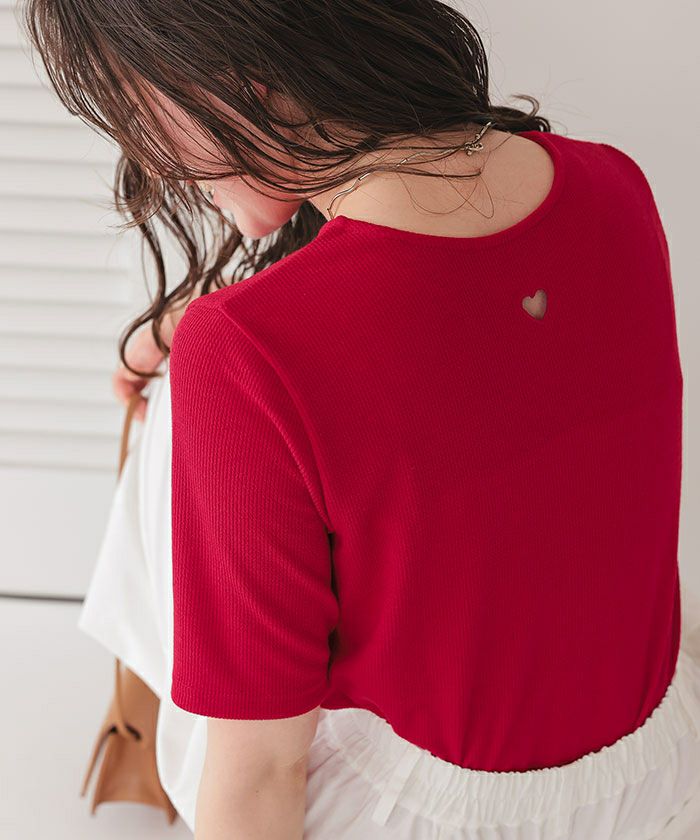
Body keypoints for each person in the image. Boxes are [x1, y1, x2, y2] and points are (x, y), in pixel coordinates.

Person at [25, 1, 700, 838]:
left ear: (238, 75)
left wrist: (191, 345)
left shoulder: (244, 351)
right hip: (662, 770)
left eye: (140, 113)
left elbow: (258, 774)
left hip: (419, 817)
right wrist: (174, 330)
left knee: (186, 413)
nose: (154, 164)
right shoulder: (613, 183)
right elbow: (454, 325)